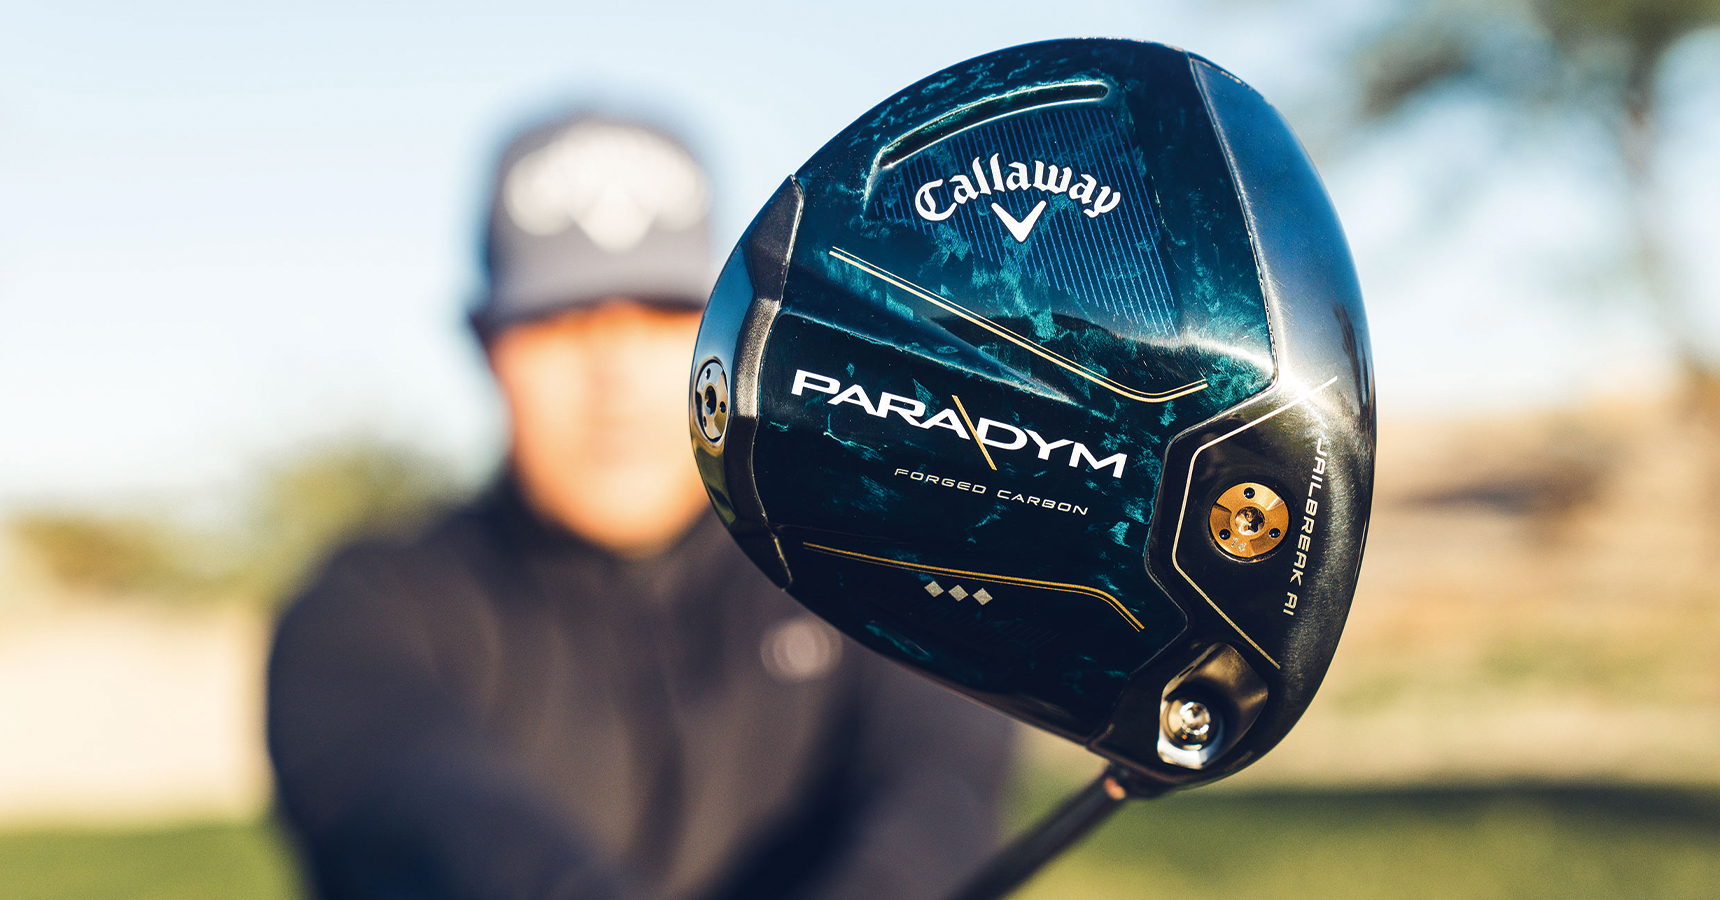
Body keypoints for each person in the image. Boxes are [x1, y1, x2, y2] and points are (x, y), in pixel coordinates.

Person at [266, 107, 1015, 900]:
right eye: (558, 320)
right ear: (486, 343)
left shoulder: (875, 582)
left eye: (662, 311)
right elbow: (423, 819)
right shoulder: (368, 609)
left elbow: (937, 801)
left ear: (739, 330)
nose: (613, 371)